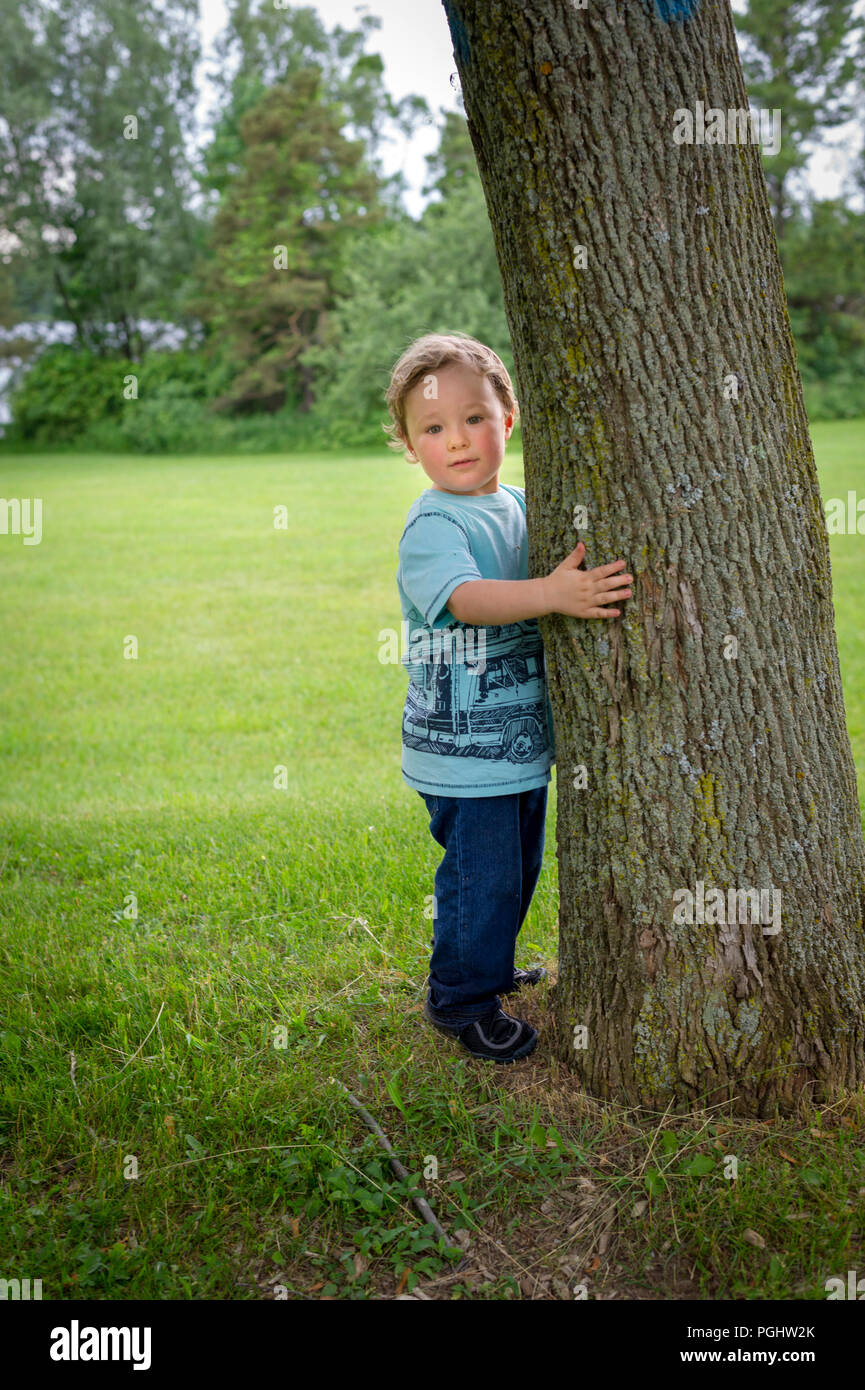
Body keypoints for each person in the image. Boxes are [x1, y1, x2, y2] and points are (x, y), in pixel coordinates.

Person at [386, 333, 632, 1063]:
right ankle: (458, 998)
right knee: (479, 877)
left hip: (514, 746)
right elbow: (465, 599)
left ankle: (485, 968)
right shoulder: (435, 524)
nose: (456, 441)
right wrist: (554, 593)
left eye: (473, 418)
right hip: (462, 753)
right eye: (431, 428)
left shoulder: (521, 503)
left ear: (509, 417)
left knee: (516, 870)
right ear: (408, 445)